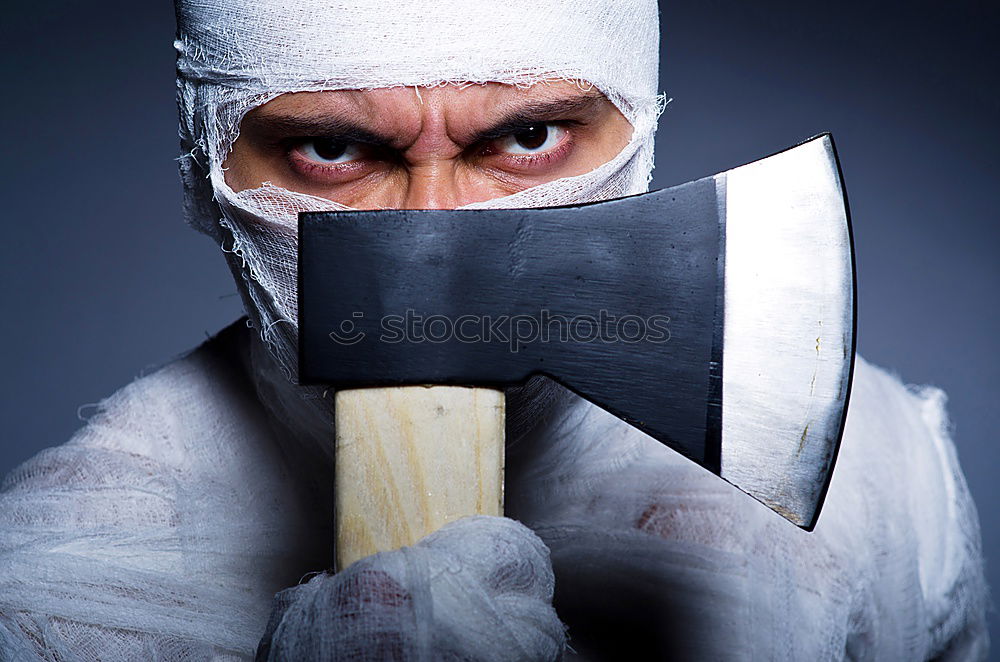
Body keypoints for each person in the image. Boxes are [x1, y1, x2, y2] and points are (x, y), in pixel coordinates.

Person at [0, 0, 988, 659]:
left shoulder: (876, 480)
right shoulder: (65, 585)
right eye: (333, 147)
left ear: (640, 130)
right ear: (207, 163)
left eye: (524, 137)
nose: (432, 236)